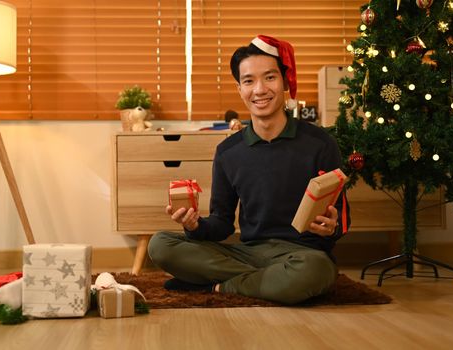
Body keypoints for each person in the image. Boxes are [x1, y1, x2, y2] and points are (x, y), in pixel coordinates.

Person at [148, 35, 350, 305]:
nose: (259, 90)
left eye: (269, 77)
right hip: (247, 252)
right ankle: (262, 282)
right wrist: (194, 226)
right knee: (160, 244)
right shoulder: (228, 152)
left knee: (315, 271)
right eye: (249, 81)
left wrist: (333, 226)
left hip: (303, 254)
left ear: (284, 81)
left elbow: (342, 216)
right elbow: (221, 223)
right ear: (240, 88)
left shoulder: (320, 143)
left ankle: (217, 287)